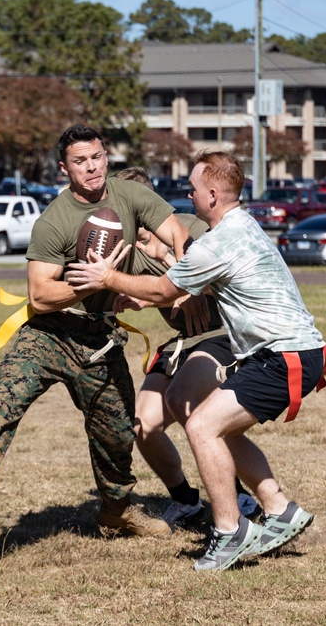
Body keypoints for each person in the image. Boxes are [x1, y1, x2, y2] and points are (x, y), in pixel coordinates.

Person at [67, 150, 326, 572]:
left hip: (284, 356)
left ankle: (230, 530)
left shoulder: (221, 240)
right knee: (214, 425)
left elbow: (162, 292)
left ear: (212, 193)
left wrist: (107, 277)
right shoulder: (238, 227)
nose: (186, 194)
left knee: (202, 426)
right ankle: (280, 510)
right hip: (289, 352)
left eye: (191, 188)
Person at [0, 125, 190, 540]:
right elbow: (38, 295)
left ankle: (116, 511)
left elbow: (177, 234)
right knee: (6, 401)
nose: (91, 168)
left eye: (97, 157)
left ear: (106, 157)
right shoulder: (54, 220)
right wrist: (92, 282)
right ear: (63, 169)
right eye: (80, 161)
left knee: (118, 433)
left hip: (100, 339)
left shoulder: (131, 196)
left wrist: (184, 282)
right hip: (48, 335)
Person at [116, 167, 261, 530]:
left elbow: (216, 275)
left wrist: (180, 278)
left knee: (193, 408)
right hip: (181, 342)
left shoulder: (190, 228)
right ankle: (186, 501)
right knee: (143, 425)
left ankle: (238, 496)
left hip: (220, 335)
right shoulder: (126, 246)